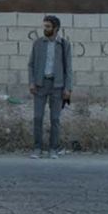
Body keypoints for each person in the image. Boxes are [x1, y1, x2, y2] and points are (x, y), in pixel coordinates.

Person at [28, 14, 72, 159]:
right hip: (40, 85)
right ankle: (37, 148)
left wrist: (67, 88)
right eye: (44, 26)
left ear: (56, 28)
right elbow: (31, 65)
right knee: (38, 117)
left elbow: (68, 69)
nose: (45, 29)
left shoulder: (64, 45)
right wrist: (32, 82)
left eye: (48, 26)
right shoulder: (38, 43)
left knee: (55, 119)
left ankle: (53, 148)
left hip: (57, 86)